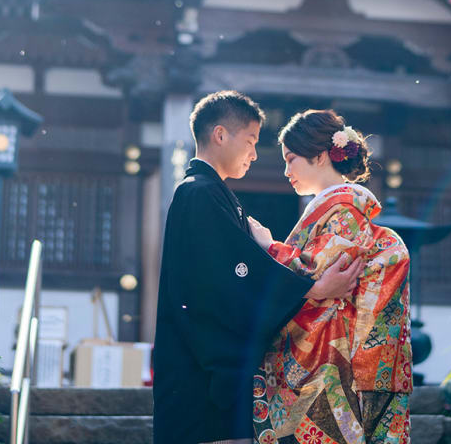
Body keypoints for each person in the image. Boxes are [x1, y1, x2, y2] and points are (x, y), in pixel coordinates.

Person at [153, 91, 365, 444]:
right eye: (250, 141)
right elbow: (229, 278)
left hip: (215, 371)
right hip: (200, 373)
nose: (254, 153)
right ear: (220, 135)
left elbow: (240, 271)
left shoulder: (214, 194)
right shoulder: (197, 193)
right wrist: (313, 289)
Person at [248, 109, 412, 444]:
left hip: (332, 362)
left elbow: (313, 275)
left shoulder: (345, 211)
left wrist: (268, 246)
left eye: (291, 159)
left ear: (320, 156)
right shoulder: (338, 208)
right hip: (337, 357)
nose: (286, 171)